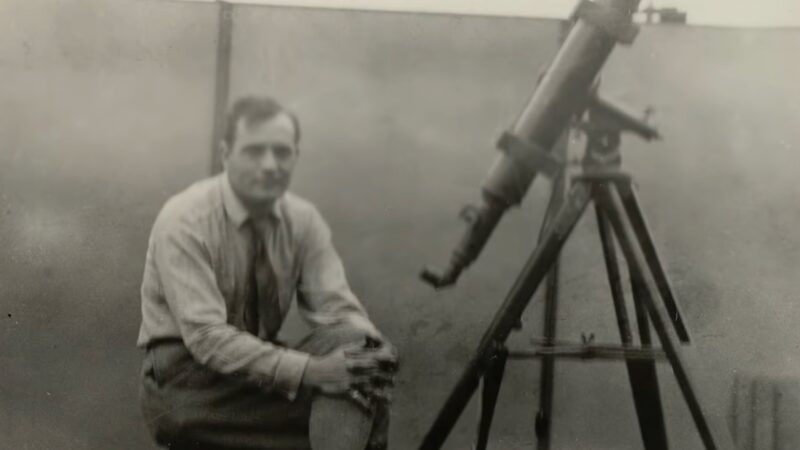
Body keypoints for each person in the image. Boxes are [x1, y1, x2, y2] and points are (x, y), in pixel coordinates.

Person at [137, 95, 397, 449]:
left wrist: (373, 349)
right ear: (226, 154)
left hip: (258, 376)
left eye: (282, 152)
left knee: (357, 358)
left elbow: (338, 310)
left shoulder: (302, 221)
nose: (270, 165)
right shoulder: (185, 219)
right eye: (255, 151)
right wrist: (314, 372)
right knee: (356, 393)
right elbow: (206, 337)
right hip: (186, 384)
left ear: (296, 157)